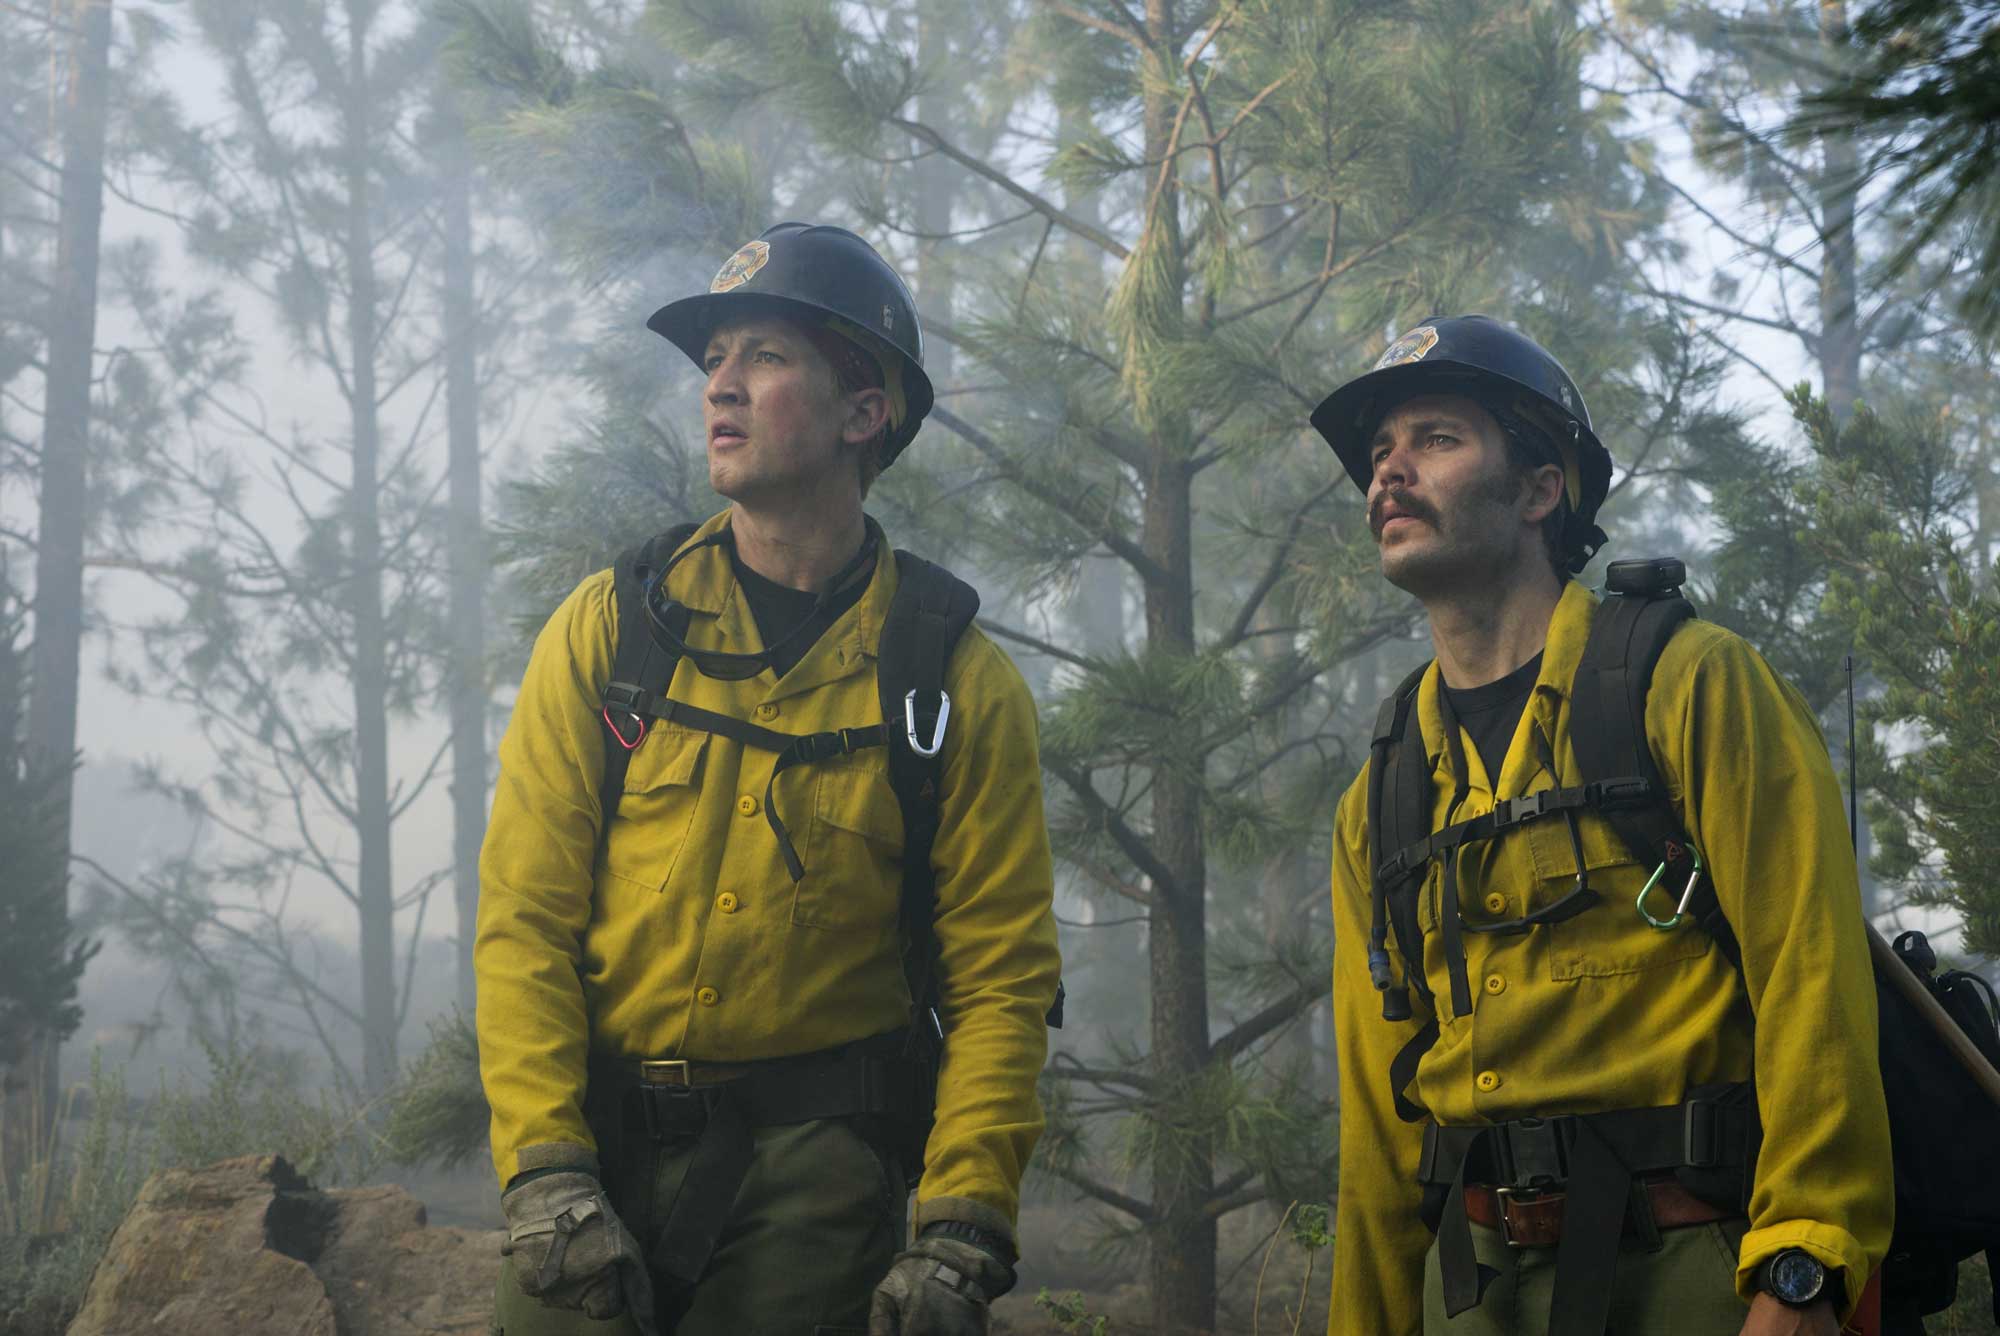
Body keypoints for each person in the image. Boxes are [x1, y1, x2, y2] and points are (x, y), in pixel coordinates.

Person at [476, 222, 1062, 1336]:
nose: (721, 388)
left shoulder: (949, 681)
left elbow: (999, 980)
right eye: (713, 362)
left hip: (818, 1189)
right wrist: (543, 1168)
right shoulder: (612, 633)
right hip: (588, 1159)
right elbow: (524, 922)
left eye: (765, 357)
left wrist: (959, 1226)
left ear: (863, 410)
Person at [1310, 316, 1893, 1335]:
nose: (1390, 472)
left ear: (1541, 490)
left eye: (1435, 438)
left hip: (1696, 1276)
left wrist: (1804, 1266)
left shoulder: (1685, 681)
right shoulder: (1387, 785)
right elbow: (1376, 1117)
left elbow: (1811, 980)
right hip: (1471, 1287)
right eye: (1377, 453)